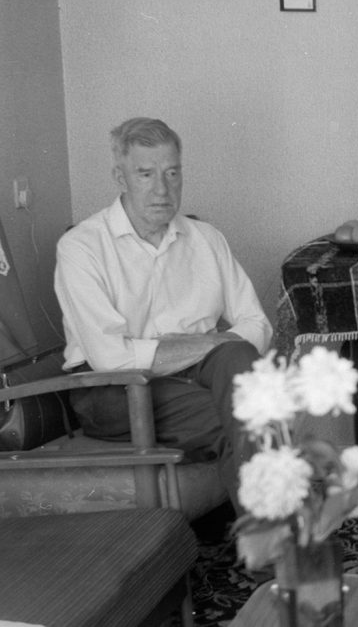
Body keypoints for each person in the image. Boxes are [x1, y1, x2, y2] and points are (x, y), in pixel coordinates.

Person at [55, 117, 272, 514]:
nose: (162, 188)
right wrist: (208, 344)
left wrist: (199, 347)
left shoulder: (205, 238)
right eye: (146, 173)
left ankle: (274, 549)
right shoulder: (81, 247)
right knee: (255, 417)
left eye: (172, 173)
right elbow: (112, 358)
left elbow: (258, 326)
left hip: (201, 376)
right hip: (114, 391)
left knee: (238, 360)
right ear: (120, 177)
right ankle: (284, 548)